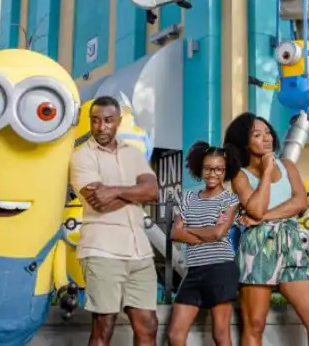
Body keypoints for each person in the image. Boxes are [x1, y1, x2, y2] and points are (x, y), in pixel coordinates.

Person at [224, 113, 309, 346]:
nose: (266, 138)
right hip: (258, 248)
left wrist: (263, 218)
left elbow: (300, 202)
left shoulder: (289, 166)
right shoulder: (239, 176)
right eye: (257, 134)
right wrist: (265, 171)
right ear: (244, 143)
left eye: (267, 132)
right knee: (255, 324)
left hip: (291, 242)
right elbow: (254, 207)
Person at [70, 96, 160, 346]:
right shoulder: (82, 157)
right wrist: (134, 191)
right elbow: (99, 200)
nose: (101, 127)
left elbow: (153, 192)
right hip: (102, 250)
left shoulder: (133, 154)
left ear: (118, 122)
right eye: (95, 121)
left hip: (139, 252)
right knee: (104, 324)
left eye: (108, 120)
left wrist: (115, 191)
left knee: (148, 324)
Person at [167, 142, 241, 346]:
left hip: (220, 268)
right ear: (201, 167)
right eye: (208, 168)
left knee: (220, 335)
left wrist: (188, 229)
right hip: (193, 271)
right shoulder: (188, 197)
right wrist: (205, 233)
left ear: (225, 171)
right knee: (175, 335)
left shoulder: (231, 200)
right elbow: (175, 233)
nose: (213, 174)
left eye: (219, 169)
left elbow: (218, 233)